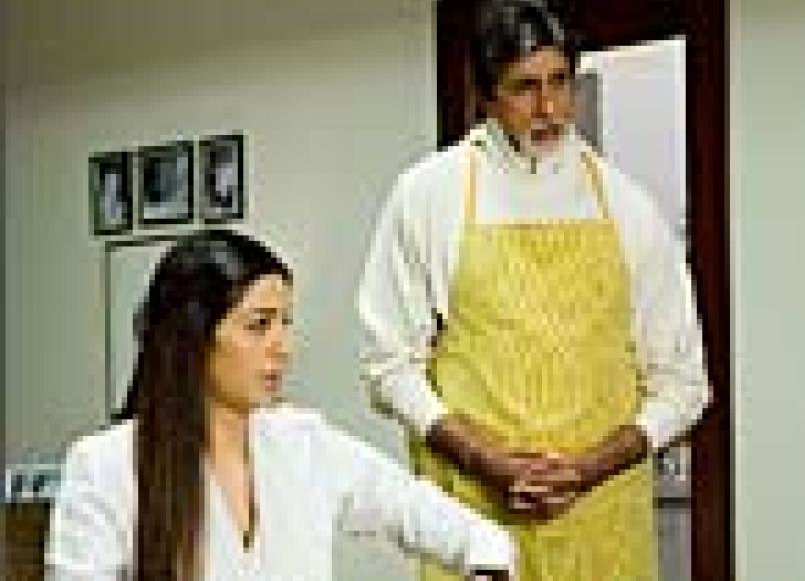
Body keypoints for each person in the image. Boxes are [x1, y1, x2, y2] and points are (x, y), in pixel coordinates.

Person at [357, 0, 710, 580]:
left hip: (601, 525)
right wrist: (486, 461)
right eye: (524, 87)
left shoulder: (629, 207)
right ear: (485, 95)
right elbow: (389, 366)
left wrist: (589, 469)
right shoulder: (428, 196)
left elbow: (684, 385)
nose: (548, 108)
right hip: (472, 517)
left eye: (560, 82)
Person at [47, 230, 515, 580]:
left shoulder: (303, 443)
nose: (283, 347)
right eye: (259, 325)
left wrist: (488, 560)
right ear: (192, 336)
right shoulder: (105, 467)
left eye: (285, 323)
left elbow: (436, 518)